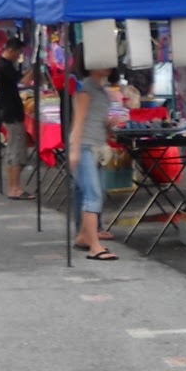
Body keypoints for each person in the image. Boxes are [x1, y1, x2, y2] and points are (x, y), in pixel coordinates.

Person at [68, 49, 117, 260]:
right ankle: (95, 246)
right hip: (85, 146)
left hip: (95, 146)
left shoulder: (100, 89)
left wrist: (108, 125)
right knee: (93, 194)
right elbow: (78, 122)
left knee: (88, 193)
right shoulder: (85, 89)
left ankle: (83, 236)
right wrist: (74, 149)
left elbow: (93, 120)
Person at [0, 35, 33, 199]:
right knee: (17, 152)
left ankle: (13, 187)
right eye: (18, 53)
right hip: (12, 113)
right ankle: (15, 188)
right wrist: (34, 70)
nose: (19, 56)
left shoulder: (4, 65)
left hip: (9, 112)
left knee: (11, 152)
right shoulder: (5, 67)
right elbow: (23, 82)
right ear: (10, 50)